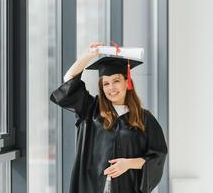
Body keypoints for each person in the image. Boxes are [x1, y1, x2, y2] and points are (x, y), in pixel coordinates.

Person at [50, 42, 168, 193]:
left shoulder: (144, 118)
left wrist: (128, 164)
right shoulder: (90, 109)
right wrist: (89, 55)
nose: (111, 88)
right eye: (106, 84)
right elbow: (69, 80)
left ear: (127, 82)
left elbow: (158, 156)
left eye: (116, 81)